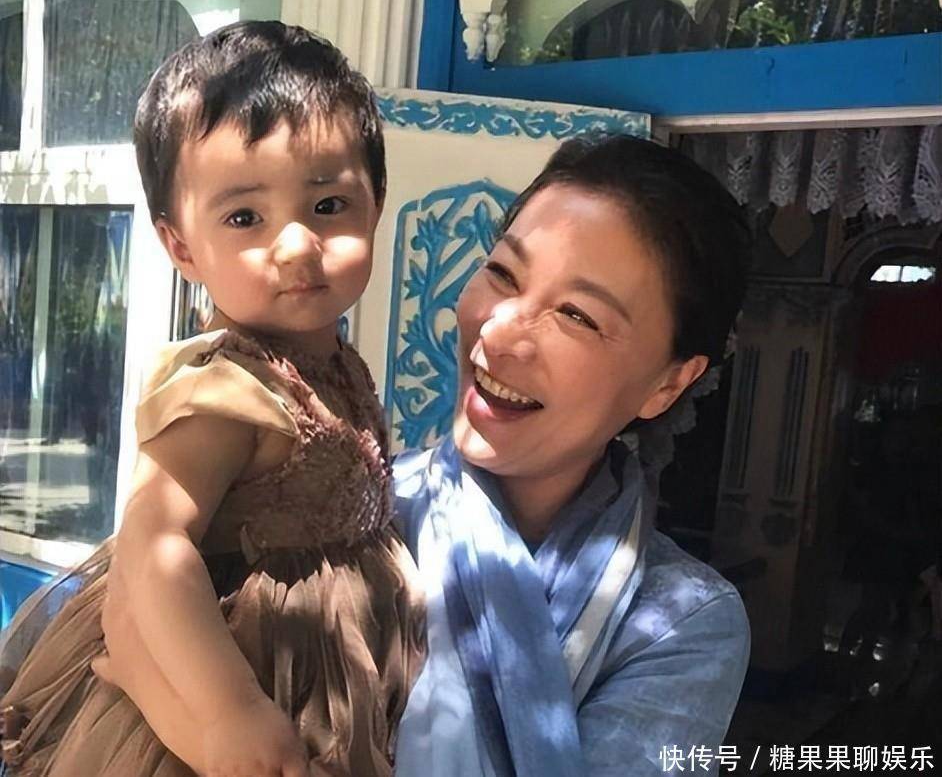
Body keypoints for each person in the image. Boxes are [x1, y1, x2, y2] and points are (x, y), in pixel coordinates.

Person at [92, 133, 754, 776]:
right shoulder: (350, 510)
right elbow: (135, 593)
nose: (499, 333)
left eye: (577, 315)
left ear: (669, 383)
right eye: (503, 273)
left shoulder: (679, 621)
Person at [0, 22, 425, 777]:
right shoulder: (223, 385)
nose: (296, 245)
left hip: (329, 673)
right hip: (226, 685)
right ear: (182, 247)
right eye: (245, 218)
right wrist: (228, 710)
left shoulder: (330, 363)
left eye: (328, 204)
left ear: (376, 202)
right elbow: (154, 547)